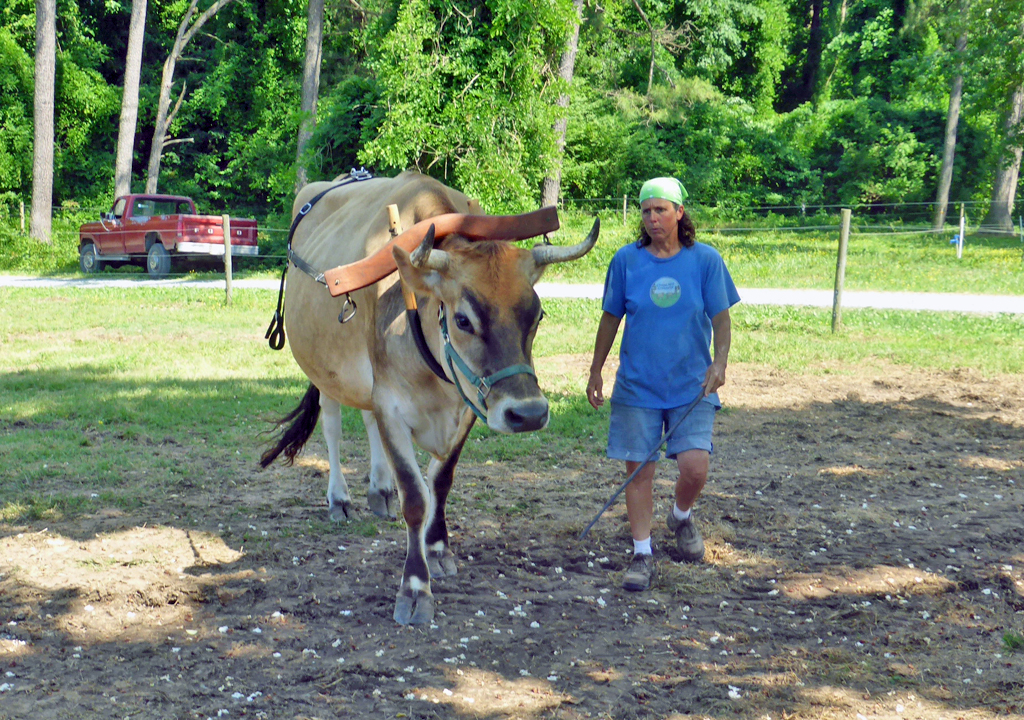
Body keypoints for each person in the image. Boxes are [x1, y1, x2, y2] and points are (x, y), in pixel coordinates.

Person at [586, 177, 740, 592]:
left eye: (660, 210)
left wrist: (720, 362)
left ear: (679, 212)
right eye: (646, 211)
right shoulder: (626, 261)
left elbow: (722, 318)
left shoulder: (705, 261)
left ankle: (681, 515)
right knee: (638, 471)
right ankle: (642, 554)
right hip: (638, 386)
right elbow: (610, 318)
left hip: (692, 384)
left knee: (695, 467)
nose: (652, 218)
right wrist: (596, 368)